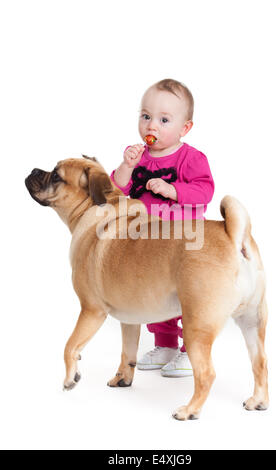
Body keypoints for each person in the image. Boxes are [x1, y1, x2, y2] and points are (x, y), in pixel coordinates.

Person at [110, 79, 214, 377]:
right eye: (146, 116)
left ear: (185, 128)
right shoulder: (138, 156)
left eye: (164, 120)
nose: (151, 126)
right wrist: (126, 166)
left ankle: (190, 350)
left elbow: (204, 191)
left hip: (184, 243)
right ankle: (165, 343)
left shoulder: (191, 158)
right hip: (148, 244)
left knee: (187, 297)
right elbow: (116, 189)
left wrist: (172, 190)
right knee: (154, 295)